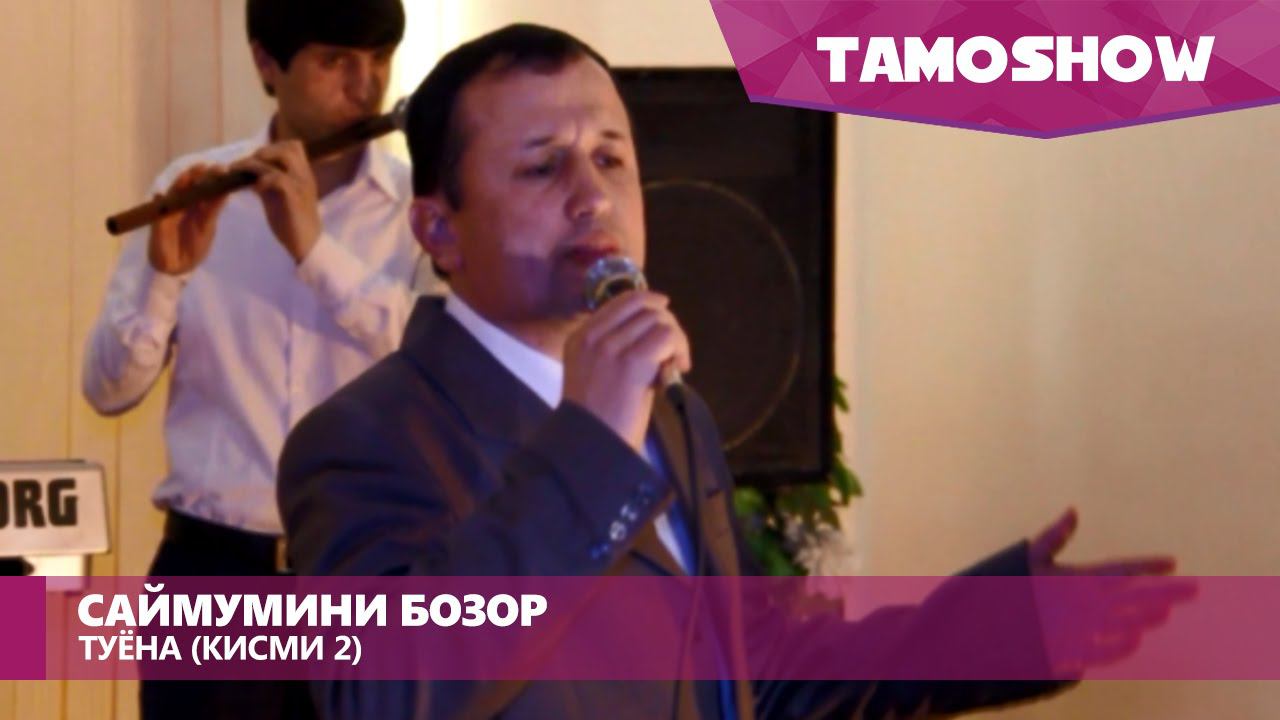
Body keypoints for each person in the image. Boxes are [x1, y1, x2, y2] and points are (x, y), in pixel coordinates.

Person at [277, 24, 1178, 719]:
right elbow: (381, 693)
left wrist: (996, 630)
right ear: (439, 230)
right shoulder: (362, 439)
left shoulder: (675, 415)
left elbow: (763, 670)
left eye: (611, 158)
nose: (593, 197)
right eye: (543, 166)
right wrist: (592, 443)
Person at [82, 1, 435, 717]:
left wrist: (315, 251)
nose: (365, 86)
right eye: (336, 61)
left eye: (379, 59)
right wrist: (165, 277)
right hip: (214, 574)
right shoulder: (192, 185)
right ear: (266, 62)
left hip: (369, 571)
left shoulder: (419, 211)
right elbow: (108, 389)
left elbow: (436, 370)